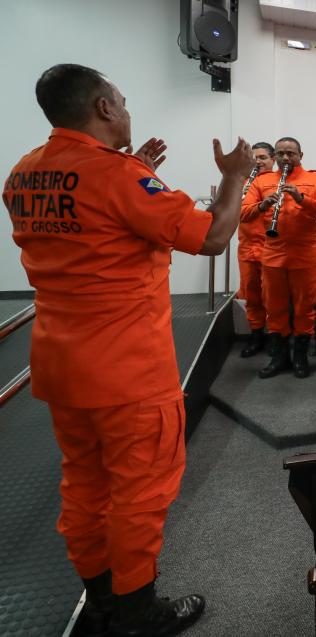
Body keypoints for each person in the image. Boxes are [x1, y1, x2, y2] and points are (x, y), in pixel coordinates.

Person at [2, 63, 254, 636]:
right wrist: (236, 177)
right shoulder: (118, 177)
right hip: (128, 372)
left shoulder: (23, 172)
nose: (126, 109)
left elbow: (90, 226)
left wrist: (136, 173)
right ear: (104, 108)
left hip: (61, 364)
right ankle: (139, 612)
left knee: (83, 484)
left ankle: (100, 601)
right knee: (139, 493)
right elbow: (213, 236)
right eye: (121, 100)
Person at [241, 137, 316, 379]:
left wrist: (301, 198)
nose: (286, 158)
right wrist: (262, 206)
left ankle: (300, 356)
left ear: (301, 155)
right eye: (281, 153)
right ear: (275, 156)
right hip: (272, 253)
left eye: (291, 153)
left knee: (304, 307)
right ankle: (279, 357)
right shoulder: (262, 181)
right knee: (274, 307)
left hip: (304, 254)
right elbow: (243, 213)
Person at [237, 141, 274, 358]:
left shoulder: (278, 182)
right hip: (246, 248)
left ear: (273, 160)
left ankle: (275, 337)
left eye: (263, 157)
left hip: (270, 248)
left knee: (272, 297)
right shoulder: (242, 182)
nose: (258, 161)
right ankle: (256, 335)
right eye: (255, 158)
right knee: (251, 296)